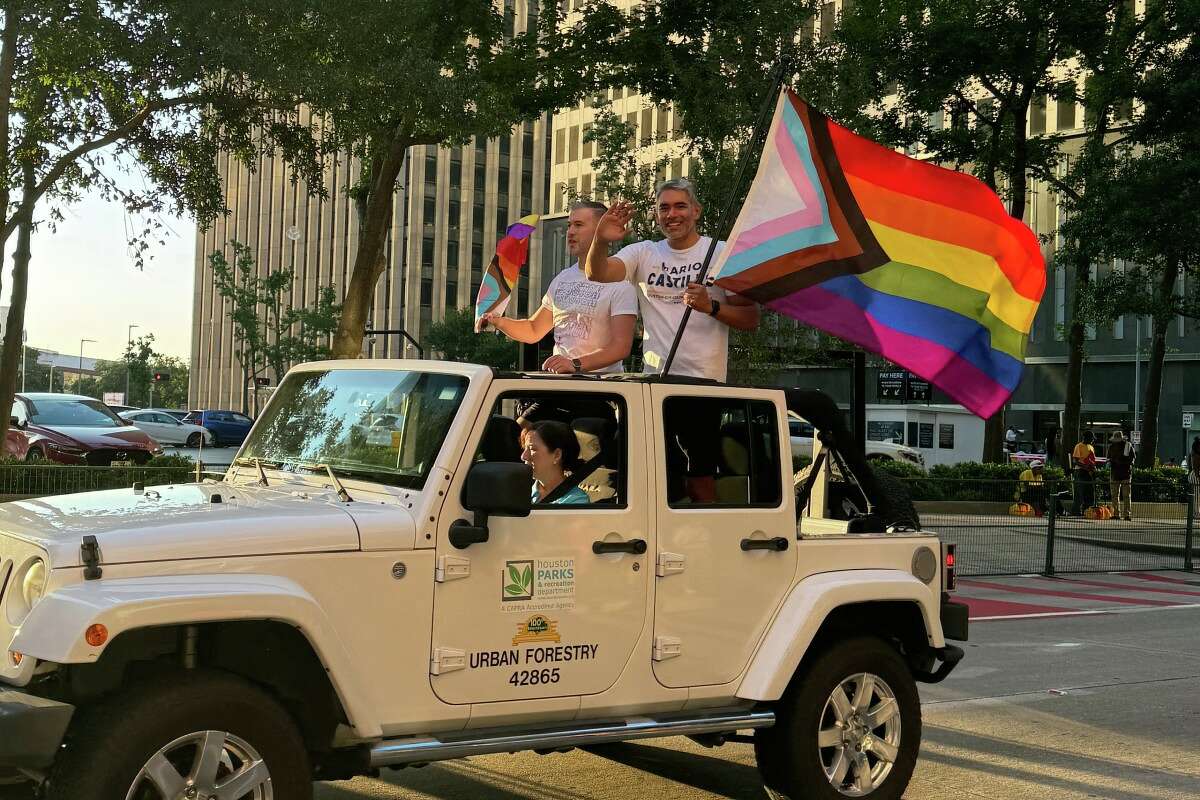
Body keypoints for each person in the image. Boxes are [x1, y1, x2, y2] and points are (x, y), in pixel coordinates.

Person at [584, 178, 760, 381]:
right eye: (664, 208)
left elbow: (751, 319)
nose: (672, 214)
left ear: (696, 211)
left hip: (705, 382)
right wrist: (600, 240)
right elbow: (597, 273)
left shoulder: (721, 253)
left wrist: (710, 306)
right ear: (657, 214)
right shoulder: (643, 252)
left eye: (680, 206)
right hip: (654, 379)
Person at [481, 201, 638, 375]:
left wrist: (575, 364)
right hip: (560, 384)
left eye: (579, 225)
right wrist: (497, 321)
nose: (570, 232)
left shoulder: (621, 283)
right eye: (569, 225)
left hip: (601, 390)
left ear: (602, 230)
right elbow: (534, 330)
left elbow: (620, 347)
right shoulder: (562, 278)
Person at [522, 420, 589, 505]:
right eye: (524, 448)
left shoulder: (576, 502)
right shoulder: (519, 493)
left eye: (532, 449)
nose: (523, 456)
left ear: (557, 455)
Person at [1107, 430, 1135, 521]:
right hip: (1121, 473)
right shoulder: (1115, 446)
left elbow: (1132, 459)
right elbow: (1133, 459)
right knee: (1122, 495)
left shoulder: (1127, 446)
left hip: (1121, 473)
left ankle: (1122, 514)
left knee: (1120, 495)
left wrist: (1117, 462)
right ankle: (1122, 514)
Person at [1071, 431, 1098, 516]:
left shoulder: (1091, 447)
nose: (1092, 440)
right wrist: (1085, 467)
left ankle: (1087, 511)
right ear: (1085, 438)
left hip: (1089, 472)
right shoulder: (1079, 446)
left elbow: (1092, 460)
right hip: (1080, 471)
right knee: (1079, 492)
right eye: (1091, 438)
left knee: (1089, 492)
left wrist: (1093, 468)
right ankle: (1076, 511)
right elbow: (1075, 460)